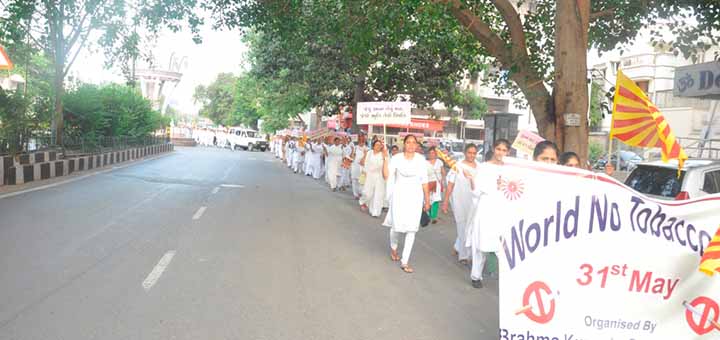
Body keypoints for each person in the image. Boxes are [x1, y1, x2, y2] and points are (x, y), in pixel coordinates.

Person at [464, 139, 510, 289]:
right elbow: (476, 192)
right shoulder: (483, 167)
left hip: (502, 211)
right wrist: (471, 180)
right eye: (498, 149)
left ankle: (510, 279)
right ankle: (476, 276)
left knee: (503, 247)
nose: (501, 153)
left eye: (504, 150)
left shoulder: (510, 170)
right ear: (493, 149)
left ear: (507, 152)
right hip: (485, 209)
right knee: (481, 245)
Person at [382, 135, 430, 273]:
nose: (410, 145)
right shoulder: (396, 158)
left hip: (415, 197)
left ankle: (405, 261)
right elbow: (387, 176)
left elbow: (424, 182)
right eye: (408, 142)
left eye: (413, 142)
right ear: (404, 144)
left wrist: (427, 201)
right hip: (399, 196)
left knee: (412, 229)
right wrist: (385, 158)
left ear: (417, 145)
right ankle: (394, 248)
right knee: (396, 227)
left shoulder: (421, 160)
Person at [442, 144, 479, 264]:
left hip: (474, 202)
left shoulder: (480, 167)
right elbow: (451, 184)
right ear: (465, 152)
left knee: (473, 228)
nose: (471, 155)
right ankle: (463, 256)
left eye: (474, 153)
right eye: (469, 152)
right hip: (459, 201)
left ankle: (470, 253)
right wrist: (446, 202)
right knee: (462, 227)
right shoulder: (457, 166)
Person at [359, 139, 387, 217]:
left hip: (379, 176)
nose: (378, 146)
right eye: (376, 145)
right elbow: (362, 163)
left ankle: (375, 212)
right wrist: (364, 155)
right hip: (369, 175)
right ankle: (363, 201)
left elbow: (387, 165)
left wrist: (385, 157)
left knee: (378, 194)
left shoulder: (383, 154)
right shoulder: (369, 153)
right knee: (367, 193)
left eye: (380, 145)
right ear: (373, 146)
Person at [426, 147, 445, 225]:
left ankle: (434, 216)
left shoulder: (439, 162)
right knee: (428, 199)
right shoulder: (425, 162)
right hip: (428, 182)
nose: (431, 154)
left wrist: (442, 181)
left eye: (433, 153)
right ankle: (428, 215)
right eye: (430, 153)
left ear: (436, 154)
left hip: (437, 183)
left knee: (436, 199)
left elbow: (443, 172)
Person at [351, 133, 369, 199]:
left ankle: (360, 192)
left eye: (362, 138)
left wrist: (365, 154)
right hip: (355, 165)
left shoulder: (367, 149)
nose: (361, 140)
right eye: (360, 138)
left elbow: (367, 159)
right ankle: (355, 194)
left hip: (363, 167)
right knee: (354, 180)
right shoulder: (355, 147)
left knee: (361, 181)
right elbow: (352, 157)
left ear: (364, 139)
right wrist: (353, 152)